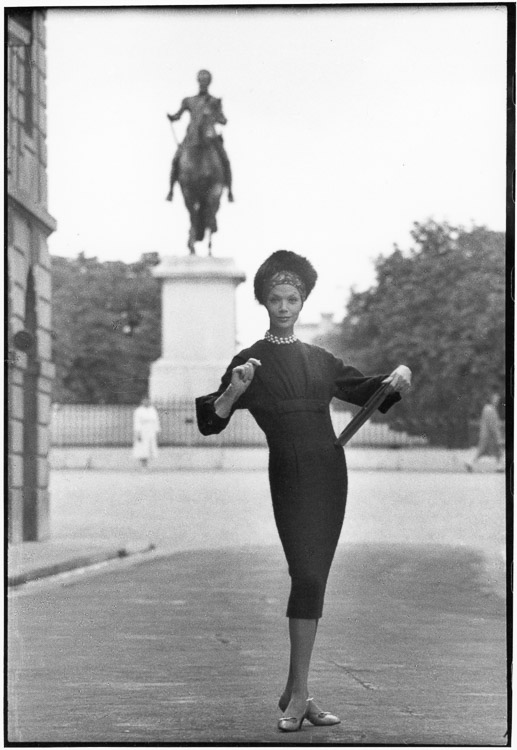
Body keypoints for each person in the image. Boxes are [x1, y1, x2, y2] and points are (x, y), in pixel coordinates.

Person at [195, 250, 412, 733]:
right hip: (289, 475)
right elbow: (212, 419)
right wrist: (235, 389)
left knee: (314, 579)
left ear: (304, 300)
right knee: (306, 575)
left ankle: (298, 692)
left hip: (330, 473)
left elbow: (369, 391)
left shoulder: (321, 360)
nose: (285, 306)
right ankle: (298, 694)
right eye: (276, 299)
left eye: (293, 298)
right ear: (264, 302)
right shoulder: (249, 361)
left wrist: (398, 376)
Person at [166, 69, 234, 202]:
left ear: (209, 82)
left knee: (225, 160)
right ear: (198, 81)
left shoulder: (214, 101)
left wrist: (219, 118)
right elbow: (178, 115)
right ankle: (171, 190)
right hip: (191, 137)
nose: (203, 83)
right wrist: (172, 117)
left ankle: (229, 190)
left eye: (206, 81)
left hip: (211, 137)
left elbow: (222, 118)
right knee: (176, 159)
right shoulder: (189, 101)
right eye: (201, 80)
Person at [465, 391, 504, 472]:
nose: (497, 401)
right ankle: (499, 466)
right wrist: (497, 436)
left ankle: (470, 462)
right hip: (489, 436)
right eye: (496, 399)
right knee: (497, 450)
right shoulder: (490, 409)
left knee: (483, 451)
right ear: (491, 399)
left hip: (485, 434)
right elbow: (492, 425)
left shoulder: (487, 408)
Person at [133, 397, 160, 468]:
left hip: (151, 430)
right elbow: (137, 422)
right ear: (142, 401)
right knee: (142, 447)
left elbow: (156, 421)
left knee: (150, 447)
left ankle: (147, 464)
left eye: (148, 401)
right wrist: (138, 433)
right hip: (142, 430)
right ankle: (143, 465)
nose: (147, 402)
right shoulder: (138, 410)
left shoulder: (153, 410)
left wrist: (157, 430)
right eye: (145, 401)